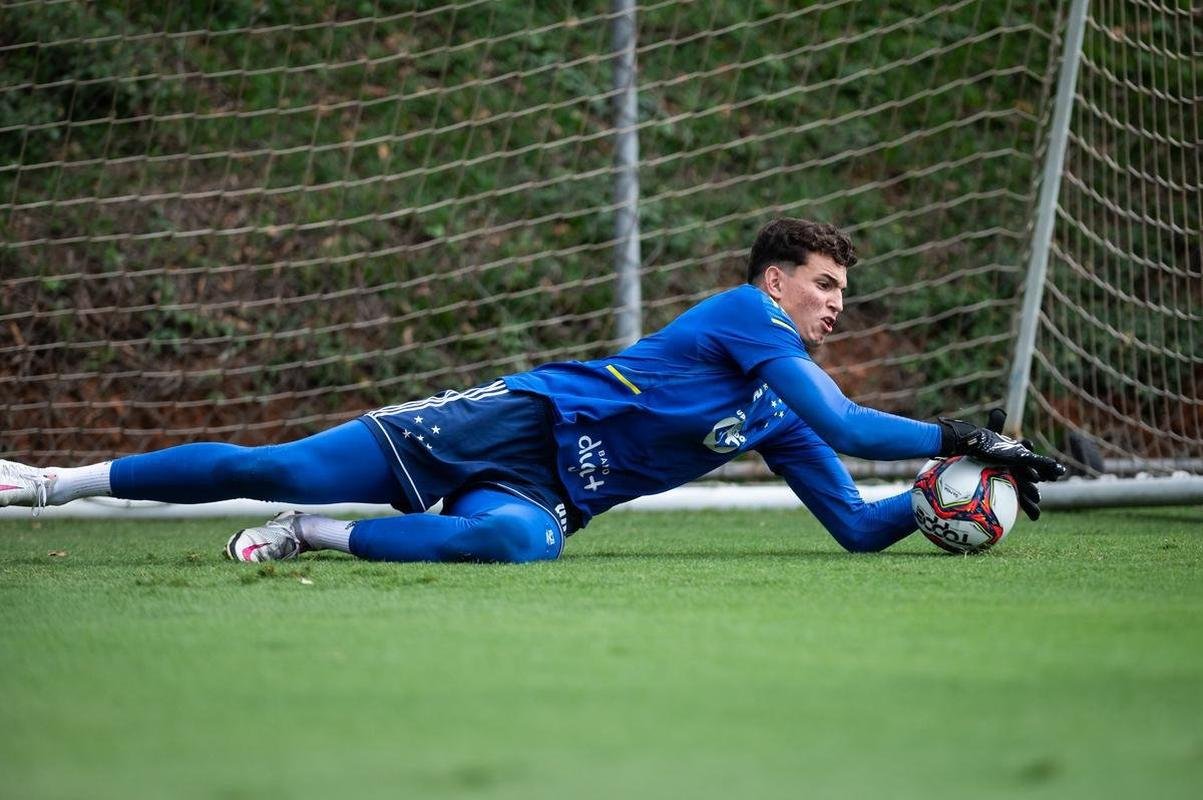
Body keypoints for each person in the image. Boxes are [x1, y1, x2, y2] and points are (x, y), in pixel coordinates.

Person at [0, 218, 1064, 562]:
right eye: (824, 286)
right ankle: (47, 481)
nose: (836, 304)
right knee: (267, 457)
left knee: (524, 545)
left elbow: (851, 522)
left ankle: (311, 535)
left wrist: (945, 496)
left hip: (549, 490)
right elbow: (841, 415)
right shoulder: (748, 318)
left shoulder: (781, 403)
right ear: (776, 281)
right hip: (517, 418)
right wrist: (971, 429)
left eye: (843, 292)